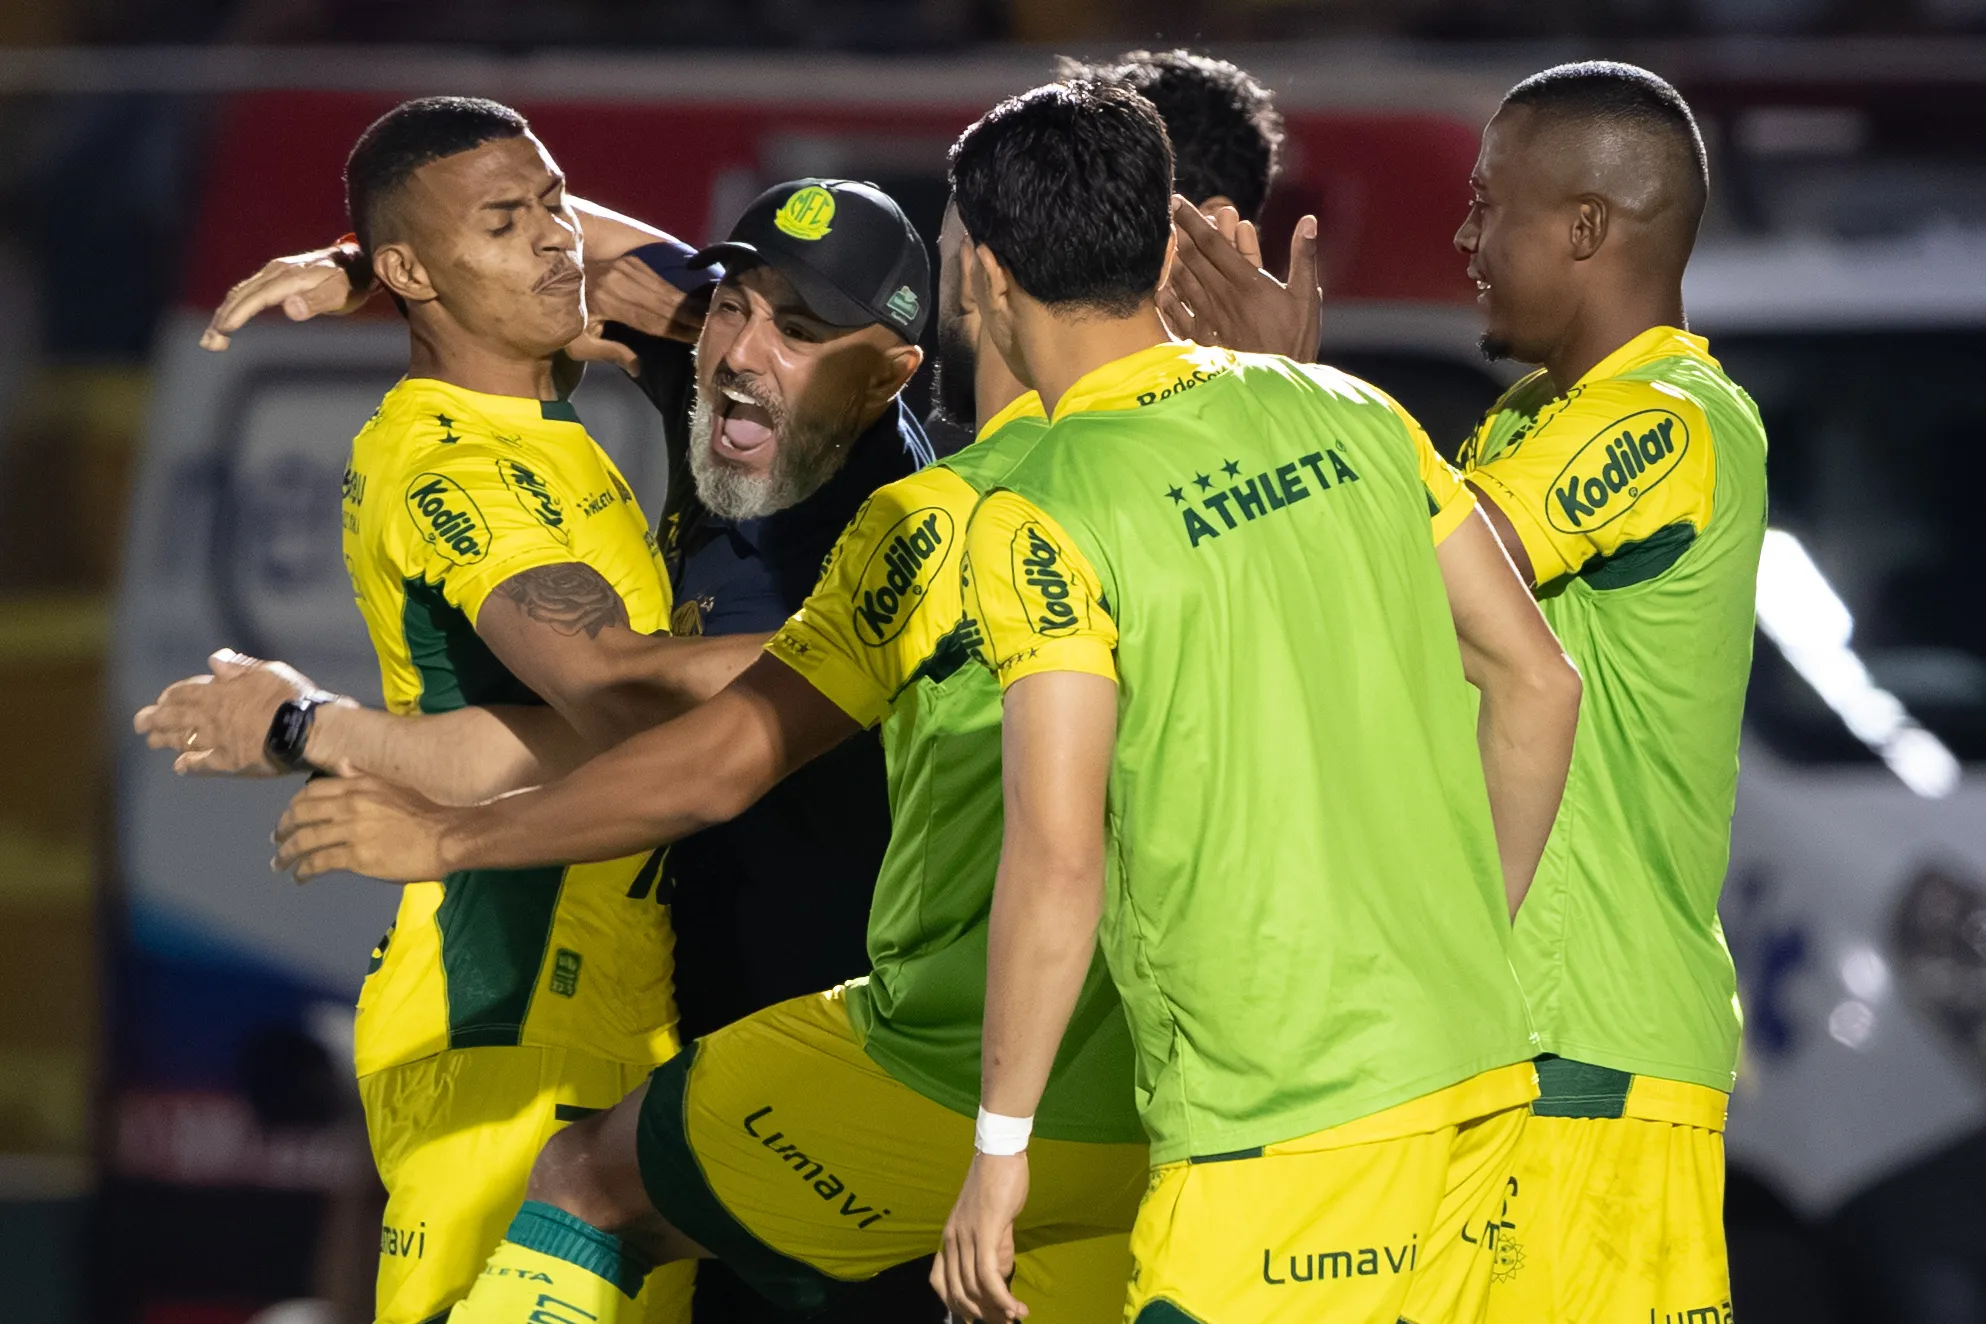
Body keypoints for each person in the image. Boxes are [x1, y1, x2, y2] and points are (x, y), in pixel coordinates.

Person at [925, 82, 1583, 1324]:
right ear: (1167, 244)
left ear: (988, 280)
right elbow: (1539, 682)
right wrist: (1453, 936)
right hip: (1473, 1072)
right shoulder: (1355, 409)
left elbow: (1058, 859)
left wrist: (997, 1148)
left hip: (1278, 1127)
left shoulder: (1039, 508)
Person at [1451, 62, 1767, 1322]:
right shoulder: (1529, 415)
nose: (1465, 239)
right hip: (1521, 1044)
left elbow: (1446, 565)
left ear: (1585, 227)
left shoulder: (1669, 419)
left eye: (1487, 207)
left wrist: (1301, 409)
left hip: (1593, 1059)